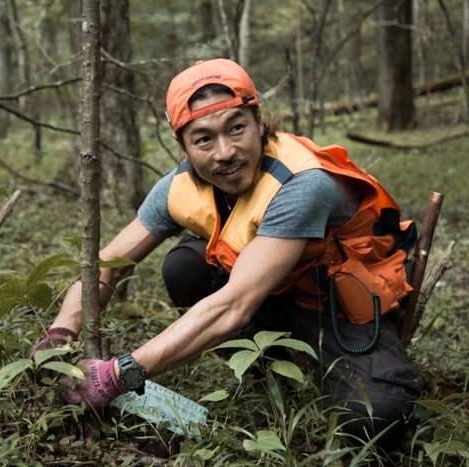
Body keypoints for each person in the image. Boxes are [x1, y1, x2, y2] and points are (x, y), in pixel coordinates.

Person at [29, 58, 423, 453]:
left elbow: (234, 304)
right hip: (265, 288)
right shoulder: (177, 186)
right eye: (203, 139)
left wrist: (119, 374)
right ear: (182, 145)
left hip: (333, 301)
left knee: (375, 417)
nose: (225, 153)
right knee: (184, 268)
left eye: (237, 128)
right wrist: (61, 333)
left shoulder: (303, 184)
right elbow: (109, 264)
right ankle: (263, 373)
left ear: (259, 122)